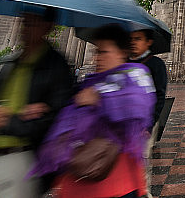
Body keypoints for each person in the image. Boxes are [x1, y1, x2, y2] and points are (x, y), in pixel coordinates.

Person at [0, 6, 73, 197]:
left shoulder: (57, 68)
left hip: (22, 163)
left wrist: (10, 121)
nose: (24, 27)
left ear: (48, 26)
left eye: (32, 22)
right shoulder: (10, 64)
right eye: (24, 21)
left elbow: (57, 123)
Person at [30, 24, 156, 198]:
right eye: (96, 52)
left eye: (103, 52)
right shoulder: (90, 83)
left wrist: (99, 99)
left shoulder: (136, 75)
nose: (97, 58)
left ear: (121, 53)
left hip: (117, 180)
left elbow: (137, 105)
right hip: (80, 176)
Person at [130, 29, 167, 198]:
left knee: (141, 160)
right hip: (127, 122)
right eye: (132, 39)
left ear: (148, 42)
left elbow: (160, 96)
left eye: (138, 39)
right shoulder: (127, 62)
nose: (133, 42)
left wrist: (150, 123)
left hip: (146, 122)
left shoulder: (156, 64)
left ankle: (144, 192)